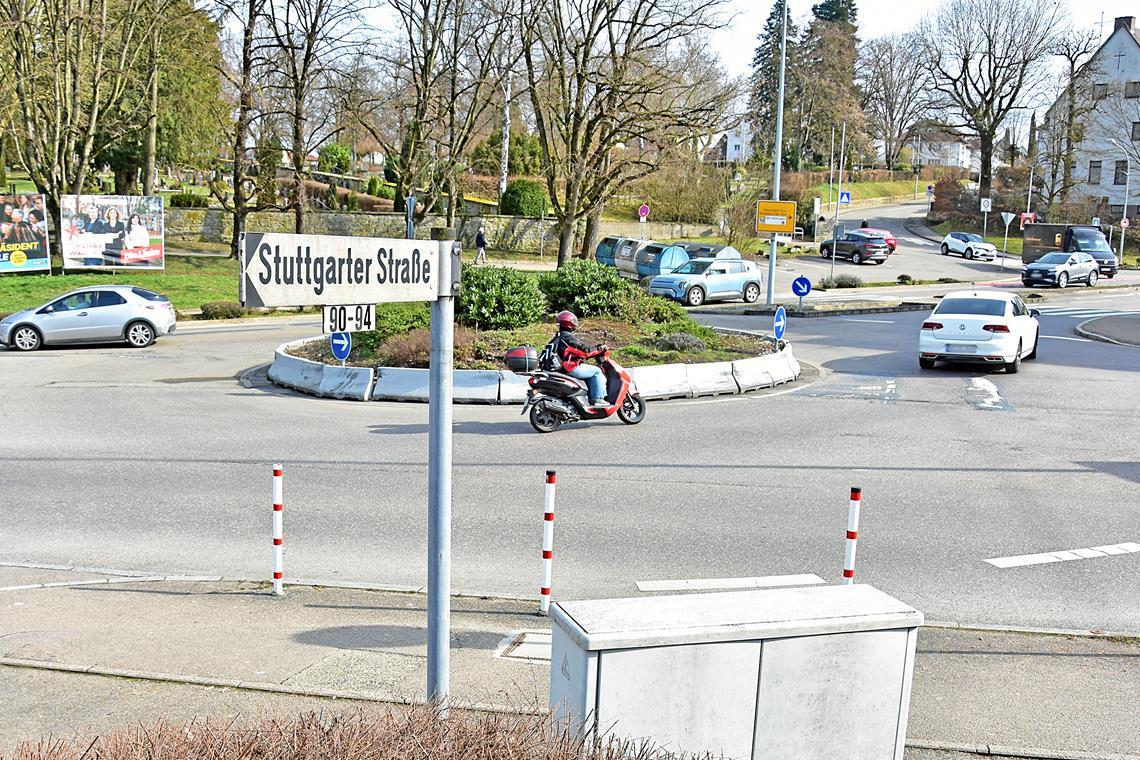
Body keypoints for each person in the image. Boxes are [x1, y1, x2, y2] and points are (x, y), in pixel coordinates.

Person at [542, 310, 609, 407]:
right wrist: (599, 348)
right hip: (570, 368)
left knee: (590, 371)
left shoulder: (559, 336)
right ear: (570, 323)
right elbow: (585, 352)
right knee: (597, 371)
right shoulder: (568, 339)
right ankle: (597, 399)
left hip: (563, 367)